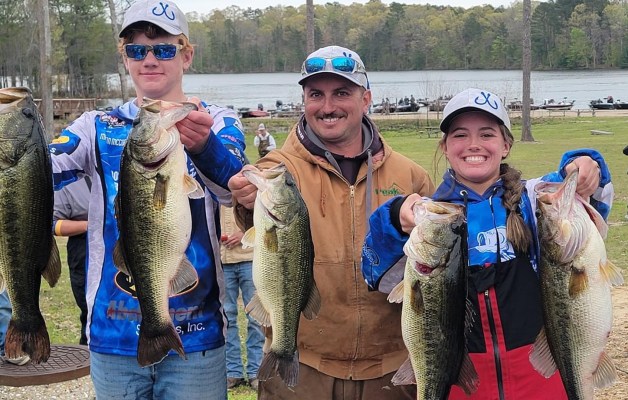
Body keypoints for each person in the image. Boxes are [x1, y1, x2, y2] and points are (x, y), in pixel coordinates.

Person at [48, 1, 246, 398]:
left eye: (164, 49)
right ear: (125, 59)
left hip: (198, 336)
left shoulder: (216, 120)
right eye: (137, 50)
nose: (150, 59)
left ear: (186, 56)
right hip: (112, 336)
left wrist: (205, 147)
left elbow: (234, 189)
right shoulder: (95, 126)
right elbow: (40, 170)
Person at [361, 88, 614, 399]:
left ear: (505, 145)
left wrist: (586, 166)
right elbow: (376, 274)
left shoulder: (534, 200)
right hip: (462, 381)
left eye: (487, 134)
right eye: (460, 135)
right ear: (445, 147)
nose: (474, 144)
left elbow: (588, 193)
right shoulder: (433, 219)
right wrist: (393, 219)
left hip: (540, 379)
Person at [228, 45, 434, 400]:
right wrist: (245, 200)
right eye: (315, 95)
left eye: (341, 93)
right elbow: (255, 220)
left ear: (366, 99)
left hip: (389, 369)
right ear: (303, 101)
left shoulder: (411, 176)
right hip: (302, 366)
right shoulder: (277, 171)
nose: (327, 107)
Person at [219, 205, 264, 391]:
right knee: (227, 318)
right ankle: (233, 371)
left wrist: (243, 233)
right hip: (222, 259)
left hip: (250, 258)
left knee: (256, 317)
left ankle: (256, 371)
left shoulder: (251, 187)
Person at [53, 177, 91, 346]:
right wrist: (91, 225)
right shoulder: (69, 179)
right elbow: (53, 224)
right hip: (84, 250)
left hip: (127, 248)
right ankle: (89, 356)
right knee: (90, 312)